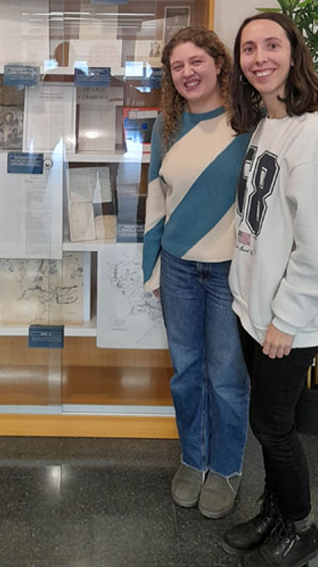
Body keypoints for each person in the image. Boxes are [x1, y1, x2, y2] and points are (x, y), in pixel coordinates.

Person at [223, 13, 318, 567]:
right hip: (255, 306)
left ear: (294, 54)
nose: (259, 58)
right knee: (266, 423)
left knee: (273, 427)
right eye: (249, 49)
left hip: (285, 318)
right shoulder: (264, 126)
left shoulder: (315, 134)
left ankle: (303, 528)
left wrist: (286, 318)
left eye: (271, 45)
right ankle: (274, 512)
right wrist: (250, 300)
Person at [142, 26, 251, 519]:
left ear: (219, 63)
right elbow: (154, 202)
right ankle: (194, 459)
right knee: (186, 373)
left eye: (196, 62)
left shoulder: (248, 123)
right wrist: (153, 270)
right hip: (180, 270)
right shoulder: (166, 127)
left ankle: (226, 467)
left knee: (226, 376)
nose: (187, 73)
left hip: (231, 270)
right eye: (177, 66)